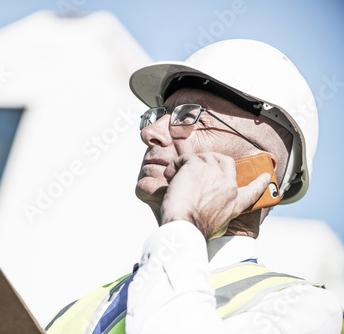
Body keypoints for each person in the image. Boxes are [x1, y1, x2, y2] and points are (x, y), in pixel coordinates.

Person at [45, 39, 343, 333]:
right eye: (159, 115)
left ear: (260, 171)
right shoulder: (75, 311)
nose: (150, 131)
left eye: (188, 116)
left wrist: (184, 224)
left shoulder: (306, 309)